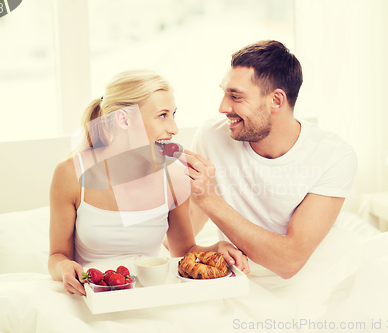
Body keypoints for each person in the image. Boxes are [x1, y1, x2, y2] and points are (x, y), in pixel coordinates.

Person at [48, 69, 248, 296]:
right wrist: (64, 267)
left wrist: (216, 249)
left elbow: (183, 251)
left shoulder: (174, 177)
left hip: (148, 294)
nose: (173, 129)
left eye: (173, 114)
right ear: (123, 119)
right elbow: (57, 256)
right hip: (90, 296)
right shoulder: (70, 174)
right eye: (162, 115)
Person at [183, 40, 357, 279]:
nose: (222, 107)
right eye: (224, 93)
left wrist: (211, 200)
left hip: (314, 282)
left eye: (235, 96)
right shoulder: (211, 136)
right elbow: (187, 230)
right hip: (235, 277)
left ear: (276, 100)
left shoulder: (333, 156)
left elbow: (290, 261)